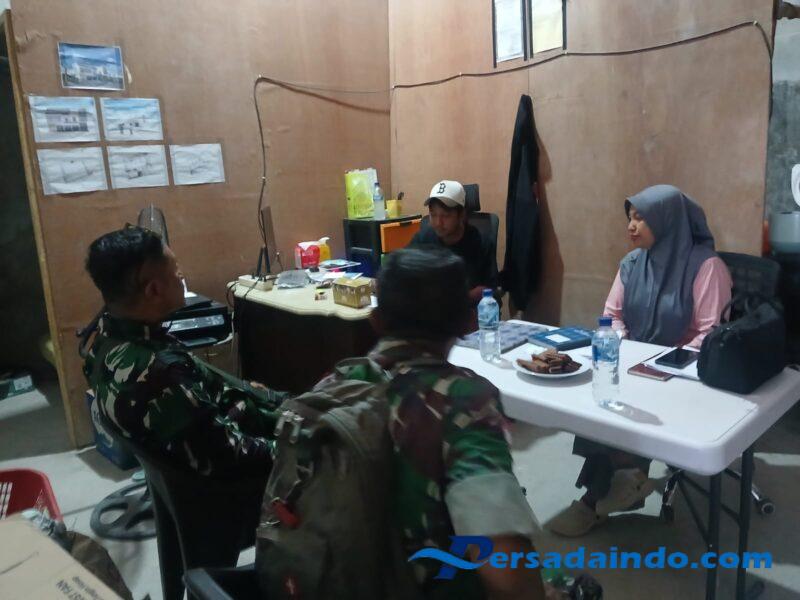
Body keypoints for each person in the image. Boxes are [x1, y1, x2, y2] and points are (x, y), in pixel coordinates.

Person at [359, 248, 544, 599]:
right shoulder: (464, 400)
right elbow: (509, 576)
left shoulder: (335, 384)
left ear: (376, 320)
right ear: (467, 323)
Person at [548, 184, 732, 537]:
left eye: (641, 218)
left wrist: (658, 364)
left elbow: (710, 335)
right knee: (602, 397)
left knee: (630, 403)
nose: (631, 226)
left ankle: (596, 499)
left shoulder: (707, 267)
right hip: (636, 365)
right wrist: (626, 348)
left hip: (685, 374)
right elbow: (612, 316)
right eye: (630, 218)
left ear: (667, 221)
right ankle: (621, 481)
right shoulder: (632, 264)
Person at [82, 226, 285, 475]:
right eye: (176, 269)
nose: (181, 275)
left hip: (232, 422)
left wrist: (254, 395)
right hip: (244, 480)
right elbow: (238, 457)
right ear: (154, 290)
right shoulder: (162, 376)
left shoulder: (103, 343)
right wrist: (309, 449)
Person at [411, 180, 498, 302]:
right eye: (433, 215)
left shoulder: (481, 243)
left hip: (467, 309)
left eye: (445, 216)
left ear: (461, 215)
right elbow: (402, 270)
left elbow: (489, 288)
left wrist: (459, 299)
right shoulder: (424, 238)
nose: (438, 223)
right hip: (431, 308)